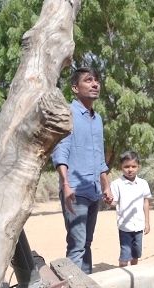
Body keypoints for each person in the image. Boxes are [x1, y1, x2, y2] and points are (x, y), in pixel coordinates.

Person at [51, 67, 113, 274]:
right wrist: (66, 185)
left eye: (96, 80)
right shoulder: (68, 113)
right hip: (75, 191)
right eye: (88, 80)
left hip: (94, 190)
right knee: (77, 246)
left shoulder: (97, 119)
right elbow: (61, 151)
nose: (95, 84)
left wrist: (106, 186)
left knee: (86, 242)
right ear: (75, 88)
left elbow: (99, 155)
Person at [109, 151, 152, 267]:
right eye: (126, 166)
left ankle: (134, 274)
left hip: (139, 225)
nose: (130, 169)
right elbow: (113, 202)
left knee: (136, 254)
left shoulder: (143, 183)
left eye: (133, 166)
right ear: (121, 167)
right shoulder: (116, 184)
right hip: (124, 227)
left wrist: (147, 223)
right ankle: (122, 275)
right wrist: (108, 200)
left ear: (138, 167)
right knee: (124, 255)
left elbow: (146, 202)